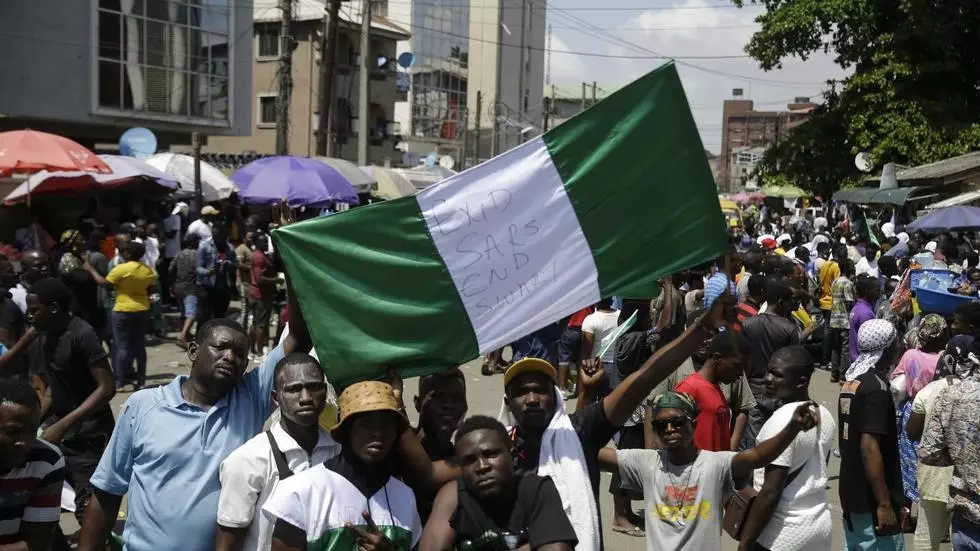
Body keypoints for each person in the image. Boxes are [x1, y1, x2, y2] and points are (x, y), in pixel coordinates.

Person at [496, 296, 732, 551]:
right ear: (508, 402)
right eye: (522, 392)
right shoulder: (495, 452)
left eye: (540, 390)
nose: (531, 399)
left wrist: (703, 328)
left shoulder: (578, 432)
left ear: (554, 397)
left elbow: (644, 378)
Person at [76, 307, 311, 551]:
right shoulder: (143, 406)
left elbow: (298, 334)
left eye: (240, 353)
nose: (230, 357)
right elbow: (108, 491)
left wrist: (292, 267)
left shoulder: (250, 397)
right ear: (193, 351)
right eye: (220, 347)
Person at [601, 391, 820, 551]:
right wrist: (588, 395)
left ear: (693, 425)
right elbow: (592, 452)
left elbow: (757, 456)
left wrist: (792, 428)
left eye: (677, 422)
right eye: (661, 425)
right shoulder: (646, 462)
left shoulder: (716, 464)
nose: (669, 429)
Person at [263, 381, 422, 551]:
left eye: (388, 425)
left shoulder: (405, 496)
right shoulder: (302, 491)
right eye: (367, 424)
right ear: (347, 430)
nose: (378, 432)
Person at [215, 353, 341, 551]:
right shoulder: (248, 460)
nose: (306, 398)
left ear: (325, 392)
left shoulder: (340, 452)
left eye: (314, 387)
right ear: (276, 397)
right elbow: (228, 542)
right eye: (293, 389)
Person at [25, 277, 115, 522]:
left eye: (35, 310)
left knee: (88, 506)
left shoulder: (82, 334)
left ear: (54, 307)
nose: (30, 316)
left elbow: (106, 388)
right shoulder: (46, 335)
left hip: (89, 435)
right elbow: (54, 389)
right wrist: (32, 422)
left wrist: (62, 425)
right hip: (61, 432)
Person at [420, 416, 578, 551]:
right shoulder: (454, 495)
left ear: (513, 455)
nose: (482, 466)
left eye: (490, 454)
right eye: (469, 460)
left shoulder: (536, 489)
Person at [737, 346, 837, 551]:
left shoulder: (782, 420)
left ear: (801, 382)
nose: (768, 379)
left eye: (778, 375)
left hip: (784, 532)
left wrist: (745, 543)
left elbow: (771, 490)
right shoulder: (823, 413)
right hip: (819, 525)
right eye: (768, 371)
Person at [838, 319, 906, 550]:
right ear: (888, 347)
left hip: (852, 493)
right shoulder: (876, 389)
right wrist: (885, 504)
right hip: (871, 500)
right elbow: (868, 447)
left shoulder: (853, 382)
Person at [908, 334, 977, 551]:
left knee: (927, 537)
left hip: (935, 476)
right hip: (966, 488)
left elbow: (914, 433)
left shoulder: (932, 390)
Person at [889, 313, 948, 512]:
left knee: (907, 461)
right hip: (936, 414)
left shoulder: (910, 355)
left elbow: (897, 383)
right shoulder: (944, 359)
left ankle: (904, 512)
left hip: (912, 412)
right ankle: (928, 514)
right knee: (931, 462)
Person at [0, 377, 66, 549]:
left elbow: (36, 543)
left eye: (32, 432)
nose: (24, 442)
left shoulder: (46, 460)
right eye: (13, 431)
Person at [84, 241, 156, 390]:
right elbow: (151, 288)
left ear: (129, 254)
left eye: (123, 252)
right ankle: (141, 382)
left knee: (122, 346)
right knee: (139, 346)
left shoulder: (121, 269)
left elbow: (104, 283)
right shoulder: (148, 270)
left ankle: (120, 382)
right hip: (142, 309)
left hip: (122, 309)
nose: (121, 255)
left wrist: (90, 270)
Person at [741, 280, 803, 446]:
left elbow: (743, 361)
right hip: (780, 393)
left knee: (753, 441)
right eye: (789, 302)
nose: (792, 306)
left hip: (753, 391)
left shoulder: (747, 325)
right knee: (778, 442)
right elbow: (796, 363)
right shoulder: (788, 329)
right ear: (781, 302)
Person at [673, 332, 751, 452]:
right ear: (717, 358)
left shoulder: (716, 389)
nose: (740, 373)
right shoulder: (688, 389)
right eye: (737, 365)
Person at [410, 368, 468, 523]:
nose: (449, 405)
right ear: (417, 403)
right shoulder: (394, 443)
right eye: (439, 396)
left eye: (457, 398)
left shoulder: (463, 458)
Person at [580, 298, 621, 400]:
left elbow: (587, 348)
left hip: (596, 366)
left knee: (591, 405)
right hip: (616, 366)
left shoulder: (591, 319)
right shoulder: (621, 315)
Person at [196, 223, 237, 324]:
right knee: (204, 316)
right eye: (215, 235)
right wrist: (209, 271)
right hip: (207, 287)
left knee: (219, 317)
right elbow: (198, 268)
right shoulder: (204, 247)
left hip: (223, 287)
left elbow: (236, 264)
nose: (217, 237)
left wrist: (229, 264)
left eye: (220, 235)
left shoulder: (230, 248)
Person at [248, 234, 278, 359]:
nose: (266, 244)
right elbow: (260, 279)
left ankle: (252, 350)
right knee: (261, 324)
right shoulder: (259, 257)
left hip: (254, 293)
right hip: (261, 295)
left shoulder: (255, 254)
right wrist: (276, 280)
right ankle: (259, 352)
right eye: (264, 242)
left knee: (254, 322)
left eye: (266, 242)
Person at [170, 233, 201, 348]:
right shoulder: (197, 255)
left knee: (183, 312)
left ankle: (186, 333)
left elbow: (171, 269)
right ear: (194, 243)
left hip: (178, 286)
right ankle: (182, 336)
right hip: (190, 287)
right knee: (191, 313)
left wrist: (172, 285)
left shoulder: (180, 254)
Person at [829, 258, 856, 382]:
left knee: (836, 347)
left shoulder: (835, 281)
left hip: (834, 319)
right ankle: (843, 375)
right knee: (845, 349)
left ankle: (834, 373)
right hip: (845, 320)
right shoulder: (848, 284)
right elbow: (849, 302)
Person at [556, 306, 592, 398]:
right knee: (582, 358)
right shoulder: (590, 295)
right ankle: (579, 390)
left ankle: (562, 389)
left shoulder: (572, 295)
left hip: (572, 327)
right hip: (587, 327)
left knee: (564, 358)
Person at [817, 245, 843, 369]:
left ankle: (823, 361)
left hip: (823, 301)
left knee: (828, 332)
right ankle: (827, 361)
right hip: (832, 303)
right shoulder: (836, 267)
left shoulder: (825, 265)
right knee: (832, 334)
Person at [849, 275, 880, 364]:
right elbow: (868, 341)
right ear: (867, 291)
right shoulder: (865, 313)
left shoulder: (857, 308)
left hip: (855, 357)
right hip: (862, 360)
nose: (879, 293)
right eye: (876, 290)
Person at [10, 250, 51, 314]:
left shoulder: (54, 285)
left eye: (46, 265)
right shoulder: (14, 294)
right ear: (24, 268)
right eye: (38, 266)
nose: (44, 268)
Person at [236, 231, 254, 330]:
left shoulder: (251, 249)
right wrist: (252, 268)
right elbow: (239, 264)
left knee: (248, 308)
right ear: (244, 238)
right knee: (244, 308)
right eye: (250, 238)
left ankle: (245, 327)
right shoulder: (241, 249)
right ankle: (241, 329)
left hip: (249, 283)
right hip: (243, 282)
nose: (251, 240)